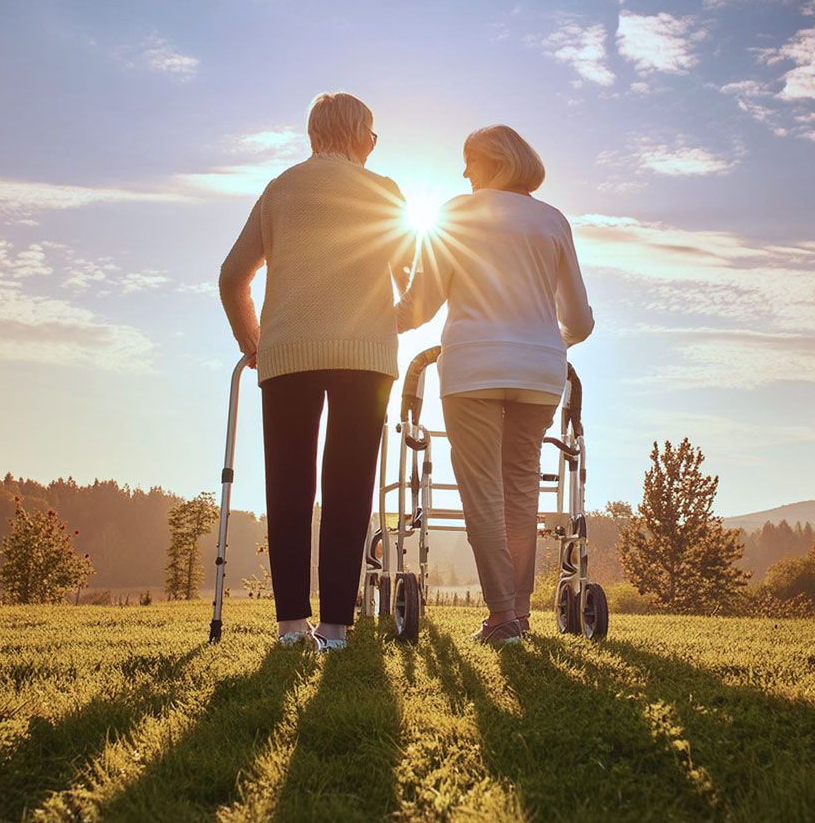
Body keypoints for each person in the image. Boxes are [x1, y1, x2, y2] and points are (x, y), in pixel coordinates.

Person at [219, 92, 411, 652]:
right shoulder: (384, 191)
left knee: (289, 487)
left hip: (287, 356)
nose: (374, 145)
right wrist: (393, 320)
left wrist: (251, 340)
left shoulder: (281, 189)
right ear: (357, 134)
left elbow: (232, 276)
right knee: (348, 487)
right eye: (372, 134)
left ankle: (289, 627)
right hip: (365, 358)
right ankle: (334, 629)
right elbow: (418, 278)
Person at [398, 123, 593, 644]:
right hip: (540, 372)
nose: (463, 171)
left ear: (495, 162)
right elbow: (579, 319)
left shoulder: (457, 214)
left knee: (484, 493)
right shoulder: (553, 221)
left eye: (470, 159)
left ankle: (503, 615)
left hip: (473, 369)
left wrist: (377, 314)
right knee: (521, 488)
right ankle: (518, 613)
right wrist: (545, 343)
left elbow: (419, 308)